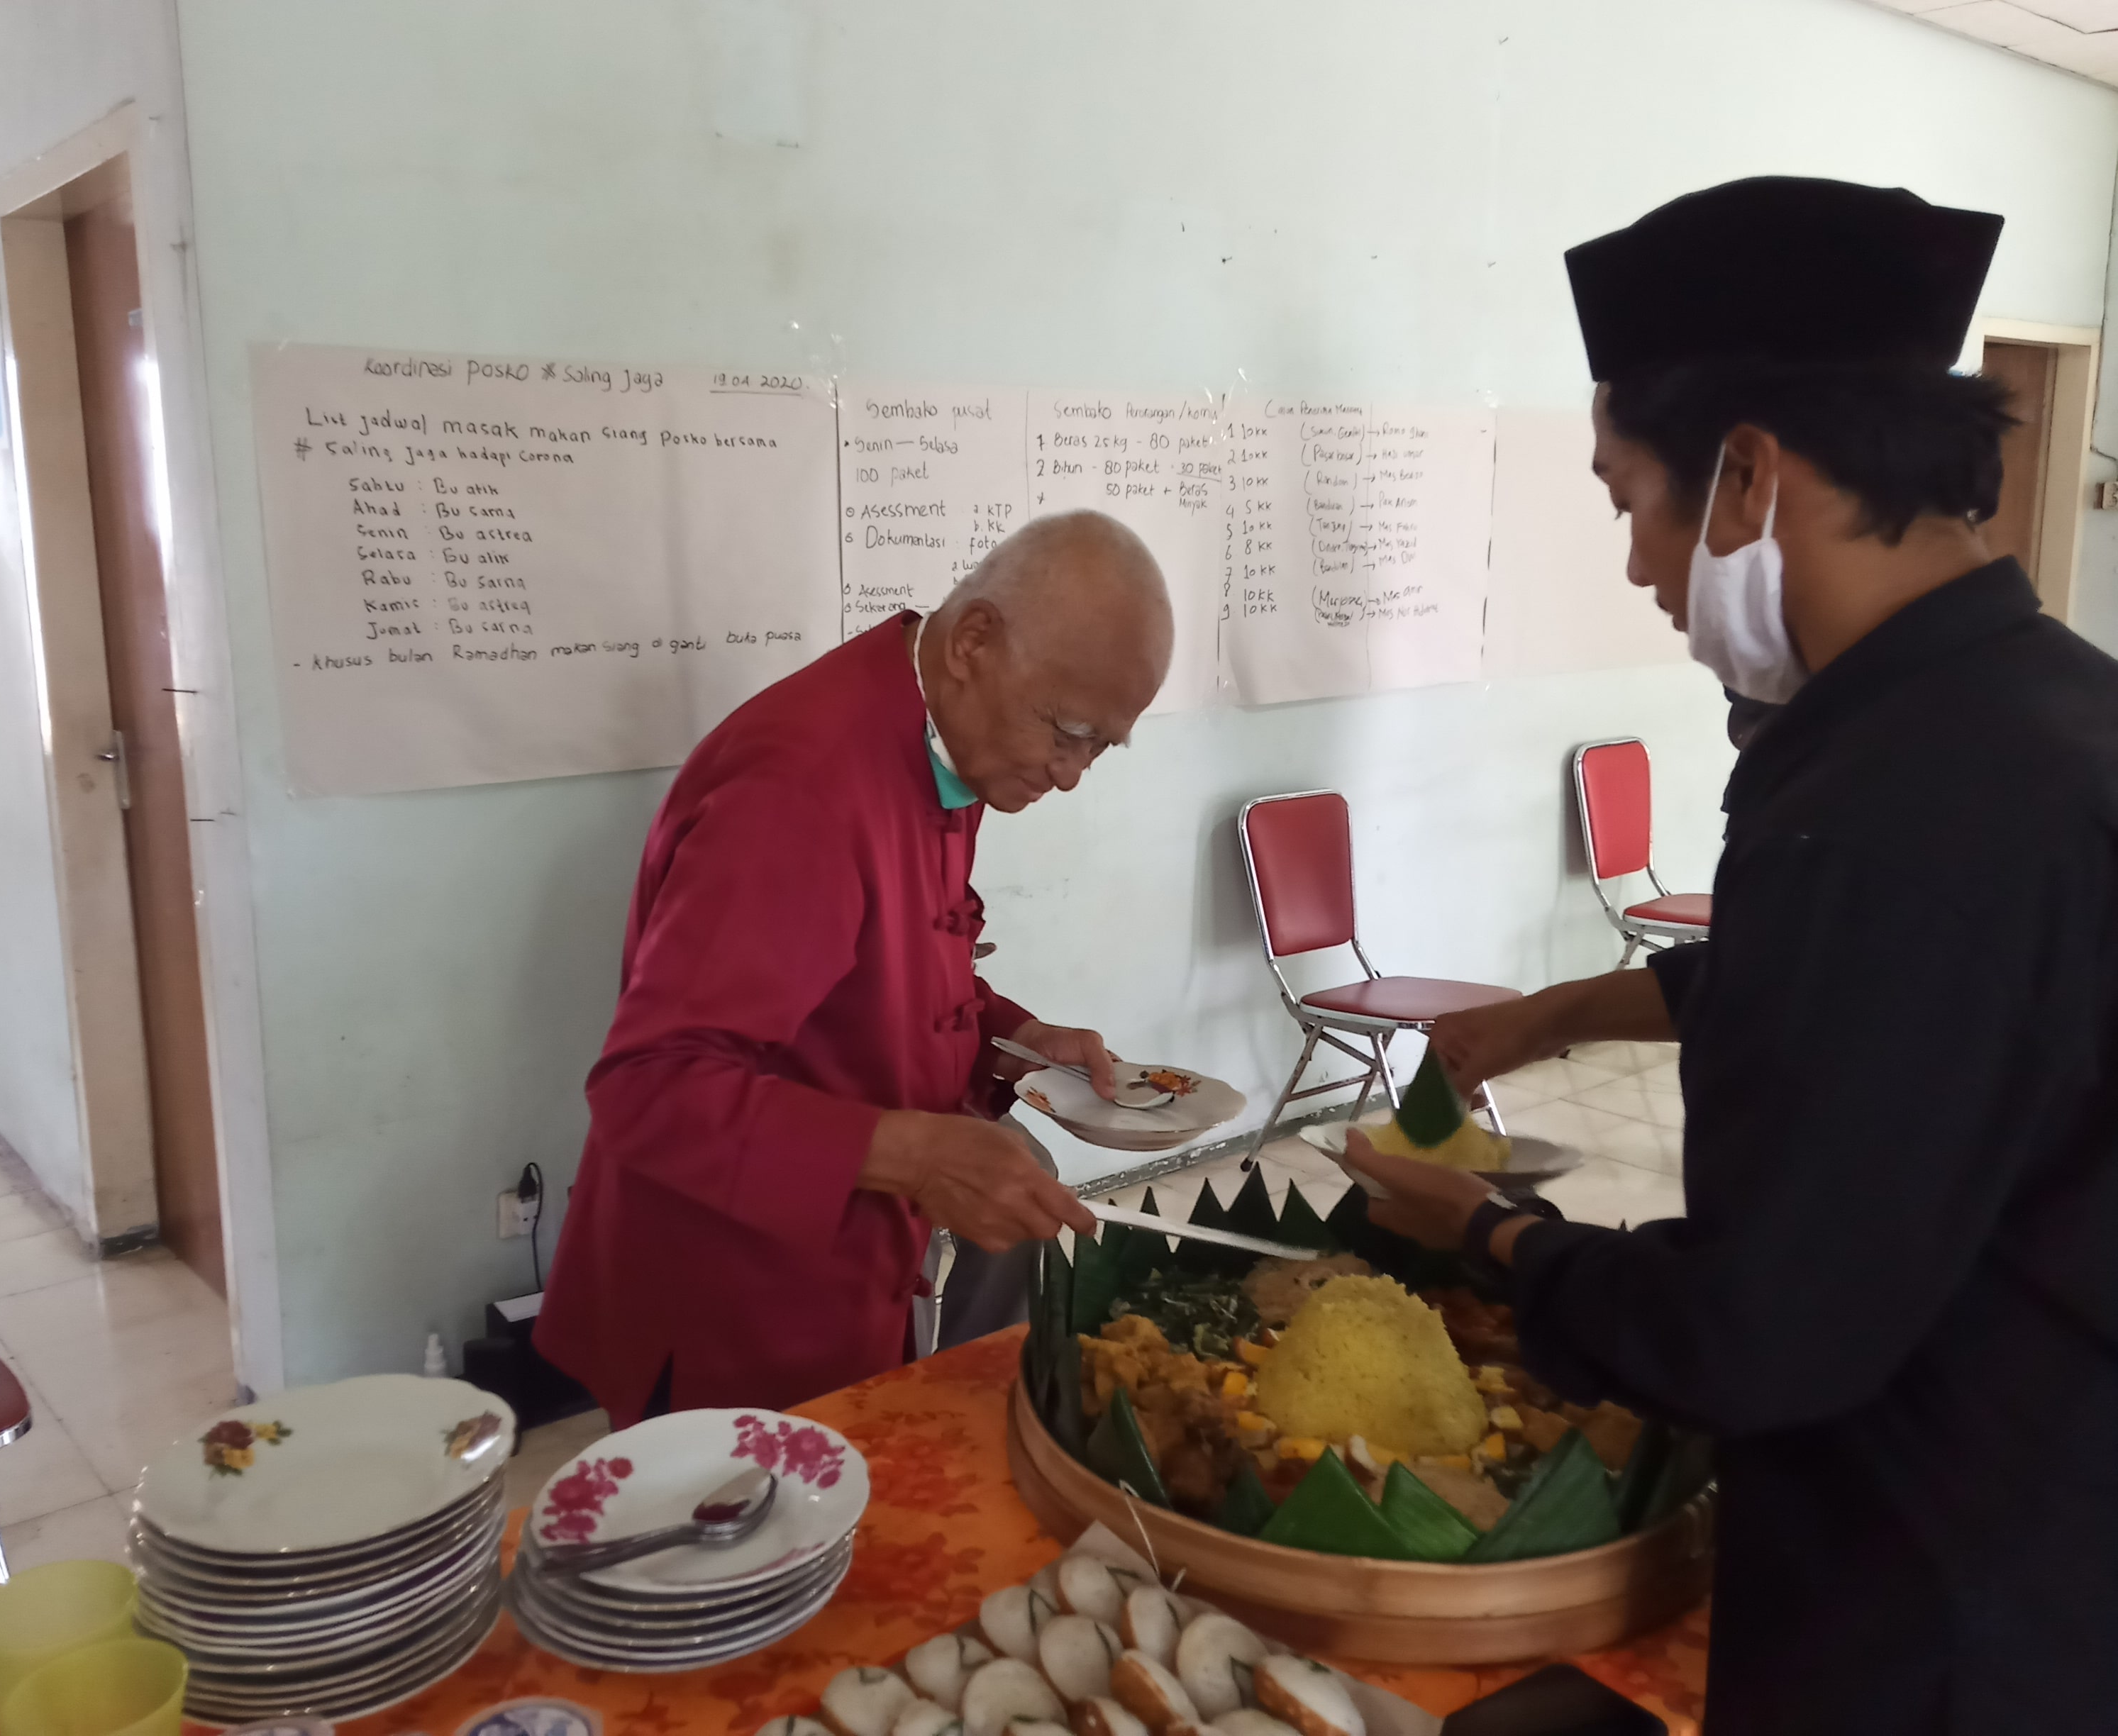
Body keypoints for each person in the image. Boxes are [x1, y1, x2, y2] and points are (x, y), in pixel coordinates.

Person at [1338, 178, 2118, 1733]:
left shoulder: (1896, 812)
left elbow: (1763, 1334)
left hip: (1933, 1598)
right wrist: (1557, 1010)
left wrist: (1490, 1237)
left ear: (1750, 476)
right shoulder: (2052, 717)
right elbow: (1869, 1016)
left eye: (1632, 497)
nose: (1638, 566)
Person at [535, 511, 1172, 1427]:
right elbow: (650, 1087)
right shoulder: (800, 791)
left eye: (1102, 745)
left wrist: (1014, 1040)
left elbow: (873, 961)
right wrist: (919, 1155)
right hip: (729, 1300)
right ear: (975, 644)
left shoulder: (942, 737)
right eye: (1067, 732)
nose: (1072, 774)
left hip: (841, 1262)